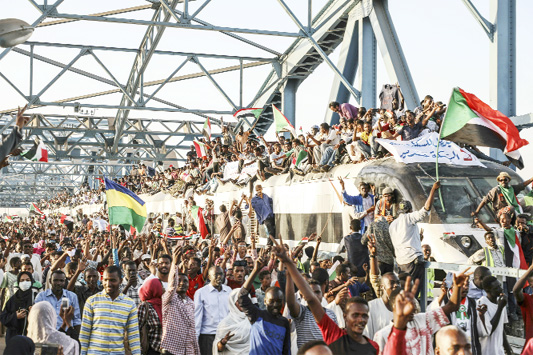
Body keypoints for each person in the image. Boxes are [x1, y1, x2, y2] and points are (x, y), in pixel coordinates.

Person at [275, 239, 378, 354]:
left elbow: (373, 281)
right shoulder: (334, 334)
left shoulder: (374, 346)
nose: (360, 319)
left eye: (364, 315)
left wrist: (373, 256)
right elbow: (309, 300)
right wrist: (289, 267)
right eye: (355, 315)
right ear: (345, 316)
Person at [373, 268, 469, 355]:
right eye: (406, 304)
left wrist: (457, 287)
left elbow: (452, 306)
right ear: (394, 306)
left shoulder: (423, 320)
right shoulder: (382, 335)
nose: (411, 308)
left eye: (413, 304)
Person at [389, 181, 440, 289]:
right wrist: (433, 190)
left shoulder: (393, 225)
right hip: (413, 261)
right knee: (412, 292)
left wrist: (418, 239)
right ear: (410, 210)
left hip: (401, 262)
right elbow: (426, 209)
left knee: (404, 290)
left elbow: (402, 240)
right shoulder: (409, 218)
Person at [238, 250, 291, 355]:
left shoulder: (284, 322)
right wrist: (255, 270)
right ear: (265, 301)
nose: (275, 305)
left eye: (279, 301)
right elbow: (242, 296)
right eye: (271, 301)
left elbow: (286, 350)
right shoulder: (257, 315)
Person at [80, 265, 141, 355]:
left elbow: (133, 335)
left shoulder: (129, 304)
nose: (108, 284)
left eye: (112, 280)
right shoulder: (92, 301)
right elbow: (85, 333)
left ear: (120, 281)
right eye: (105, 280)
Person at [161, 247, 200, 355]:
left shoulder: (191, 303)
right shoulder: (168, 299)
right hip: (171, 350)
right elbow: (172, 286)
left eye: (185, 281)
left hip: (188, 350)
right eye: (179, 281)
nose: (182, 283)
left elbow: (192, 330)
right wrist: (174, 264)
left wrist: (196, 351)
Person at [286, 269, 338, 348]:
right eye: (311, 292)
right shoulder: (301, 312)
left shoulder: (331, 314)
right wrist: (289, 276)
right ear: (303, 295)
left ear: (322, 294)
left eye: (317, 292)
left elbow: (335, 340)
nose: (314, 295)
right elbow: (291, 303)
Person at [34, 269, 81, 340]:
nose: (58, 283)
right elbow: (37, 319)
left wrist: (78, 338)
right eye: (55, 280)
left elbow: (76, 319)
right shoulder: (41, 296)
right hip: (47, 336)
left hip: (66, 337)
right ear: (50, 281)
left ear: (65, 282)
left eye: (61, 281)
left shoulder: (72, 296)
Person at [194, 266, 231, 355]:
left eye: (221, 274)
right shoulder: (201, 293)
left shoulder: (228, 290)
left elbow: (231, 313)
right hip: (207, 336)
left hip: (225, 335)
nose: (219, 277)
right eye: (216, 274)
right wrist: (195, 340)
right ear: (209, 277)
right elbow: (197, 318)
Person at [476, 276, 513, 355]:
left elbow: (501, 328)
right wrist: (500, 308)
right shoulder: (481, 304)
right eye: (496, 288)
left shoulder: (501, 302)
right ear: (487, 290)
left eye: (500, 285)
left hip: (499, 351)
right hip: (486, 351)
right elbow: (488, 330)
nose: (501, 289)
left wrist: (507, 348)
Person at [0, 272, 37, 340]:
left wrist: (34, 313)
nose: (25, 282)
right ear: (18, 282)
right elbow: (3, 317)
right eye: (22, 280)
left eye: (28, 280)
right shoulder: (12, 300)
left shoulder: (35, 298)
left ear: (31, 282)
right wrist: (15, 316)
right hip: (13, 338)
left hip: (31, 338)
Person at [213, 288, 251, 355]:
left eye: (244, 300)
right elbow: (219, 349)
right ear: (233, 302)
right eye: (238, 301)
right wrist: (223, 342)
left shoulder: (253, 320)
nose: (242, 303)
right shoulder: (225, 324)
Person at [138, 278, 163, 355]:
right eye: (160, 286)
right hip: (152, 350)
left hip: (167, 350)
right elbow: (137, 329)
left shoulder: (164, 304)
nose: (163, 288)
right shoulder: (144, 306)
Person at [512, 263, 533, 348]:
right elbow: (516, 291)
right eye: (530, 283)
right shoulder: (528, 299)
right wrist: (531, 268)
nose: (531, 285)